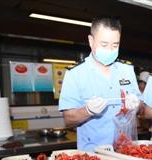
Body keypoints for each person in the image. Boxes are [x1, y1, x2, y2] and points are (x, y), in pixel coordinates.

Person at [58, 17, 141, 151]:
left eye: (115, 45)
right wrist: (88, 111)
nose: (110, 50)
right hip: (94, 155)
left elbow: (141, 107)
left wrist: (136, 105)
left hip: (125, 150)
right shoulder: (76, 73)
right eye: (104, 45)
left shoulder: (127, 70)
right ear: (91, 41)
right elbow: (68, 119)